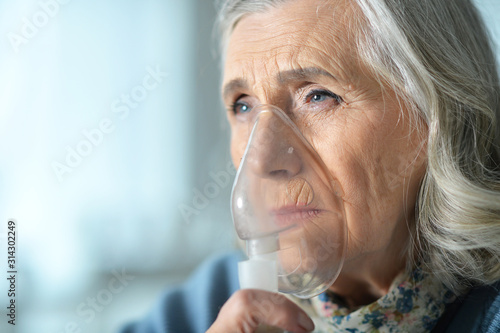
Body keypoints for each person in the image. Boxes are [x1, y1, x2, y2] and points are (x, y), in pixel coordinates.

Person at [121, 0, 500, 332]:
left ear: (439, 115)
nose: (262, 159)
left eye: (317, 96)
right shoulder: (211, 301)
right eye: (243, 106)